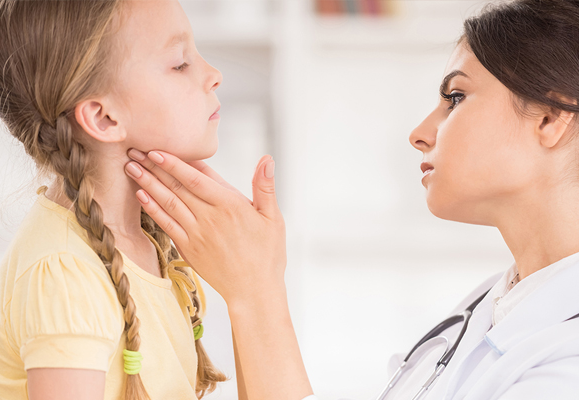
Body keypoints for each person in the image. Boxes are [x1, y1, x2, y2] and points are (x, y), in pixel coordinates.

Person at [124, 0, 579, 399]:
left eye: (455, 98)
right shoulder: (492, 308)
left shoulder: (566, 363)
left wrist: (256, 293)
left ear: (549, 118)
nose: (420, 135)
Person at [0, 0, 230, 399]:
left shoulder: (146, 241)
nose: (214, 75)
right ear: (103, 118)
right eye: (181, 63)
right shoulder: (63, 279)